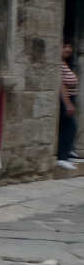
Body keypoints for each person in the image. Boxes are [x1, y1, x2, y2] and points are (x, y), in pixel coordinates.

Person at [59, 39, 78, 169]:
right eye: (65, 46)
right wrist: (67, 103)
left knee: (66, 127)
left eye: (70, 47)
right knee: (71, 127)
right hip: (65, 99)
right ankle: (62, 157)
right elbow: (61, 85)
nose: (68, 50)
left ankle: (68, 151)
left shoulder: (64, 63)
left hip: (70, 98)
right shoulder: (59, 64)